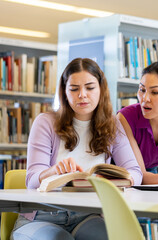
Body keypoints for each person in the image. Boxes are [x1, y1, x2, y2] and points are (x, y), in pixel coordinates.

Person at [11, 58, 142, 240]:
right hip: (42, 217)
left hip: (88, 216)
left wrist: (114, 181)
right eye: (74, 89)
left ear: (101, 90)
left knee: (118, 236)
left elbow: (135, 173)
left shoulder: (113, 124)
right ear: (64, 92)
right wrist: (53, 171)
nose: (82, 95)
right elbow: (32, 181)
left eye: (89, 87)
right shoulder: (45, 122)